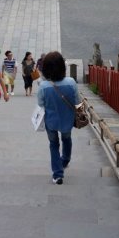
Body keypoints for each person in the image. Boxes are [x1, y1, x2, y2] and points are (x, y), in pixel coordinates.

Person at [37, 51, 80, 185]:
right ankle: (65, 160)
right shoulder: (71, 82)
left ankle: (57, 174)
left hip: (51, 120)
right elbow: (77, 101)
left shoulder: (43, 86)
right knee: (67, 139)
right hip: (67, 118)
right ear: (63, 67)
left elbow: (40, 104)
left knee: (53, 144)